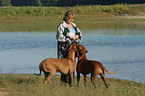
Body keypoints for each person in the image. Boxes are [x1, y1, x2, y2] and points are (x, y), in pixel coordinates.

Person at [56, 10, 82, 84]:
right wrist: (70, 38)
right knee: (64, 66)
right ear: (66, 17)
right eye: (70, 18)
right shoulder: (61, 26)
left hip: (72, 49)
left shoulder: (74, 25)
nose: (71, 20)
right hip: (64, 48)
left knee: (72, 65)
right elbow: (60, 38)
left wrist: (76, 37)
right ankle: (64, 82)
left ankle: (71, 82)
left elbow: (80, 34)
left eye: (72, 19)